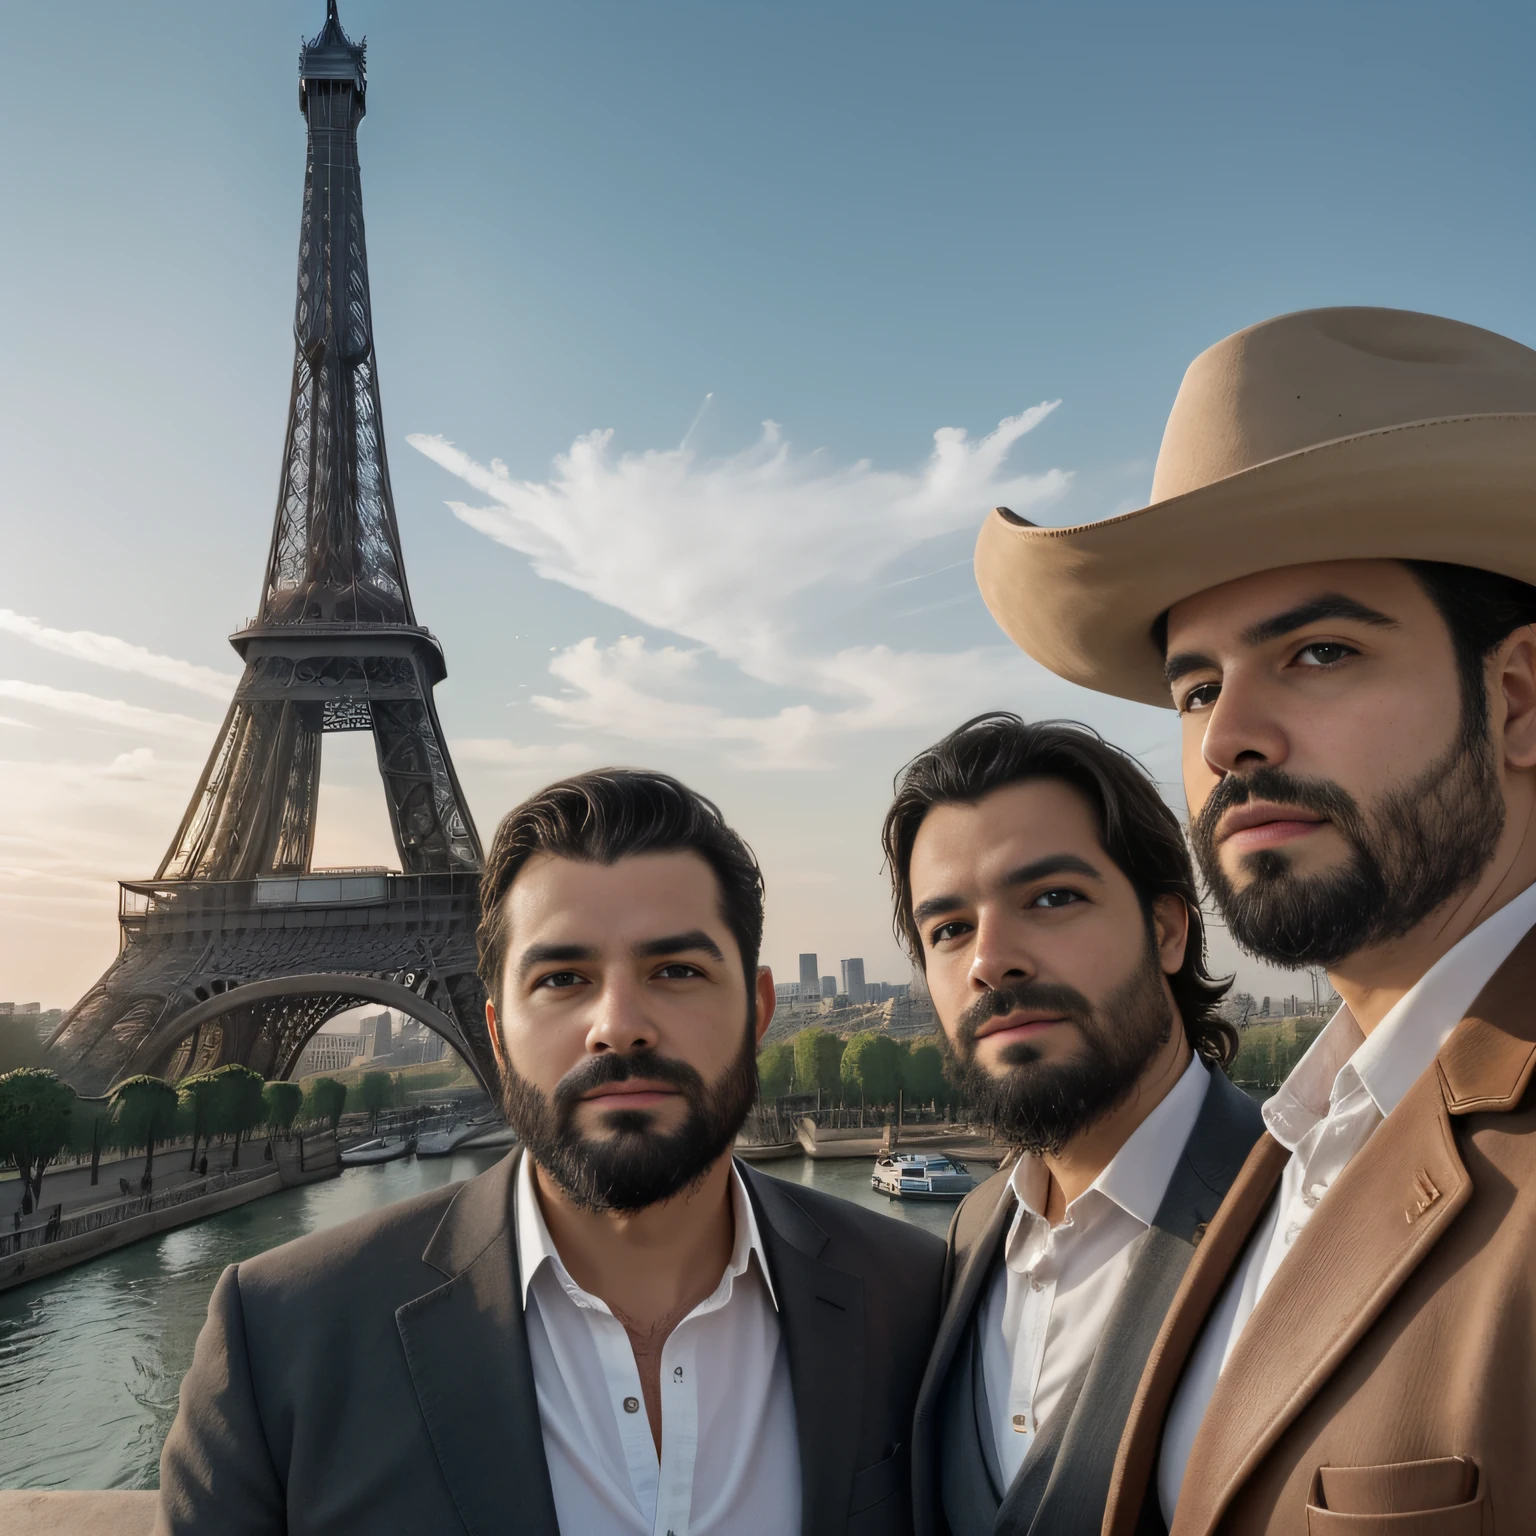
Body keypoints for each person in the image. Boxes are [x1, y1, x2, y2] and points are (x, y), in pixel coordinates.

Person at [973, 305, 1536, 1533]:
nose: (1227, 738)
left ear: (1519, 700)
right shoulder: (1306, 1132)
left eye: (1320, 654)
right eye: (1195, 687)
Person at [156, 768, 944, 1536]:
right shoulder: (275, 1340)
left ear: (758, 1011)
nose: (619, 1024)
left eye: (676, 970)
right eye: (564, 978)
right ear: (496, 1033)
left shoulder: (916, 1299)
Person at [886, 714, 1261, 1536]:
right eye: (948, 930)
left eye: (1052, 898)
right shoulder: (971, 1231)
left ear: (1167, 930)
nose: (990, 959)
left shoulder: (1307, 1203)